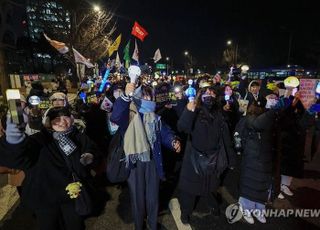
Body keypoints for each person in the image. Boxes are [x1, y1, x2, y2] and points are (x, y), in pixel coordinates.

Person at [0, 106, 101, 230]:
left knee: (75, 226)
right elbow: (17, 158)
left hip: (72, 196)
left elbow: (93, 151)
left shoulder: (79, 136)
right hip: (45, 199)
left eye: (66, 117)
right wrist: (15, 137)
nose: (63, 122)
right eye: (57, 118)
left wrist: (90, 156)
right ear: (47, 121)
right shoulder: (39, 139)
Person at [111, 83, 181, 230]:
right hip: (135, 163)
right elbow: (115, 116)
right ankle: (139, 226)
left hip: (153, 161)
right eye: (143, 95)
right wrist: (125, 96)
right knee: (137, 198)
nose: (147, 98)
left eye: (149, 95)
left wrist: (173, 140)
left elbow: (164, 132)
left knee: (153, 197)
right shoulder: (129, 113)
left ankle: (153, 224)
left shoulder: (155, 116)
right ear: (136, 96)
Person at [177, 86, 236, 224]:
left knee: (211, 185)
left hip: (214, 158)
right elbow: (182, 127)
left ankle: (212, 204)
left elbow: (226, 138)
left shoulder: (220, 114)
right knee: (190, 189)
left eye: (212, 93)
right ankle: (185, 212)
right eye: (206, 93)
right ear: (200, 95)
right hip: (194, 158)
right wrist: (189, 110)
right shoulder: (194, 110)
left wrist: (231, 158)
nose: (209, 95)